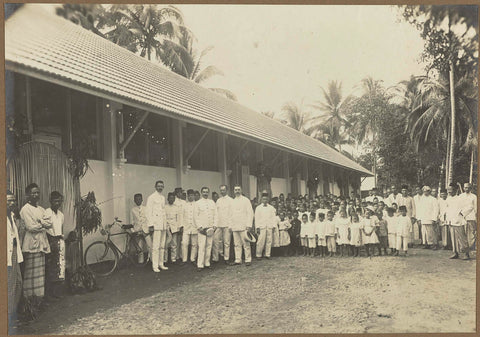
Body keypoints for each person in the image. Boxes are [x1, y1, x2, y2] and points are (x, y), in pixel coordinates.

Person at [20, 183, 52, 310]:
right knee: (31, 272)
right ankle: (29, 300)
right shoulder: (25, 209)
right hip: (31, 244)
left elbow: (49, 223)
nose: (36, 195)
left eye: (38, 192)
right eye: (33, 193)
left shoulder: (41, 209)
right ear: (28, 194)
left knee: (40, 272)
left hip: (41, 243)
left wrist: (40, 223)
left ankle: (39, 299)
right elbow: (30, 227)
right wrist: (42, 224)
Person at [44, 191, 66, 299]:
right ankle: (49, 293)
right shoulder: (47, 212)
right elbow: (45, 229)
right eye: (55, 201)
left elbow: (61, 229)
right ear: (51, 201)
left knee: (59, 266)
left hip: (59, 241)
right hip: (50, 241)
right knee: (50, 266)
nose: (57, 203)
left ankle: (57, 292)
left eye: (59, 201)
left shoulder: (61, 215)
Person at [7, 190, 23, 323]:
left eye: (13, 200)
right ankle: (9, 317)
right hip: (6, 254)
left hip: (14, 252)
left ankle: (11, 312)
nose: (12, 203)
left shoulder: (12, 216)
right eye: (8, 200)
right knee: (10, 286)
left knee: (18, 283)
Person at [194, 187, 218, 271]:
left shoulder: (212, 202)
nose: (205, 193)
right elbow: (196, 217)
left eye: (207, 192)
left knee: (209, 246)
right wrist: (199, 227)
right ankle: (200, 265)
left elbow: (216, 214)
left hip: (210, 228)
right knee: (201, 246)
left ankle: (207, 263)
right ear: (201, 193)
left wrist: (215, 225)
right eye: (204, 192)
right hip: (202, 229)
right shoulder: (197, 203)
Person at [146, 180, 167, 273]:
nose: (160, 187)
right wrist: (150, 225)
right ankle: (155, 265)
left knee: (162, 246)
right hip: (156, 224)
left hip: (163, 224)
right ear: (155, 186)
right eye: (158, 186)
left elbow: (163, 212)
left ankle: (161, 263)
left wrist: (165, 224)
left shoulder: (163, 197)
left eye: (162, 186)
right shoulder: (151, 197)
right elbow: (148, 212)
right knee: (155, 246)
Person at [229, 185, 253, 266]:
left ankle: (248, 259)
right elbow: (230, 215)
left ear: (241, 190)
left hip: (244, 226)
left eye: (239, 189)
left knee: (246, 244)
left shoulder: (246, 200)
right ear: (234, 191)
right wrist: (230, 226)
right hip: (235, 226)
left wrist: (249, 225)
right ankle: (238, 259)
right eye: (236, 190)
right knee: (237, 244)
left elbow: (250, 213)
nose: (237, 191)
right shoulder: (232, 201)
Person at [446, 184, 470, 260]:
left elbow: (470, 207)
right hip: (451, 221)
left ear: (456, 190)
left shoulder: (461, 198)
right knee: (453, 238)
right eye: (448, 189)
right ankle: (455, 252)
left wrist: (462, 213)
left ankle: (466, 253)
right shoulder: (448, 199)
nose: (449, 191)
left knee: (462, 238)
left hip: (459, 221)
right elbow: (447, 210)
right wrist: (447, 219)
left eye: (451, 189)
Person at [213, 185, 232, 264]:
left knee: (226, 242)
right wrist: (215, 224)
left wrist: (231, 225)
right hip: (218, 224)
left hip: (227, 224)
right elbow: (216, 213)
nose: (222, 192)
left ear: (227, 190)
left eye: (223, 190)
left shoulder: (231, 200)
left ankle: (226, 258)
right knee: (215, 240)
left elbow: (231, 214)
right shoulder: (218, 201)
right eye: (221, 190)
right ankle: (215, 258)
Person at [255, 193, 277, 259]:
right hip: (262, 226)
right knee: (260, 241)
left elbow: (273, 217)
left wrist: (273, 226)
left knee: (269, 240)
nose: (265, 200)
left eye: (266, 199)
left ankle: (267, 254)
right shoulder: (258, 208)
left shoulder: (271, 208)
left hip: (269, 226)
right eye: (263, 199)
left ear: (268, 200)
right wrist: (257, 227)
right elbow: (257, 218)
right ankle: (258, 254)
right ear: (261, 199)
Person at [130, 193, 150, 263]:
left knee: (150, 246)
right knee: (139, 247)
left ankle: (152, 260)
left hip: (145, 230)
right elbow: (131, 222)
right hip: (137, 231)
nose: (138, 201)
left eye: (139, 199)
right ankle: (140, 262)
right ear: (134, 201)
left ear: (142, 200)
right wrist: (133, 231)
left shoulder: (146, 208)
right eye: (136, 200)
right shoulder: (132, 210)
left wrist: (148, 229)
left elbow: (149, 220)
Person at [182, 189, 198, 264]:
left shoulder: (197, 205)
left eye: (192, 195)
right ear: (187, 196)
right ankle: (184, 259)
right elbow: (181, 216)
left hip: (195, 227)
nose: (190, 197)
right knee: (184, 243)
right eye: (189, 196)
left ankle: (192, 259)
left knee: (194, 244)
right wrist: (182, 226)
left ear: (194, 196)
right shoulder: (184, 205)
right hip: (186, 227)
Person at [459, 183, 477, 250]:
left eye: (468, 187)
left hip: (471, 217)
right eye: (465, 187)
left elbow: (475, 207)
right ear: (463, 188)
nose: (466, 189)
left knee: (471, 233)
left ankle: (471, 245)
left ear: (470, 188)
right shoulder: (461, 196)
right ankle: (464, 246)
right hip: (462, 216)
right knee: (463, 232)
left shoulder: (474, 196)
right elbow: (459, 206)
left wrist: (475, 216)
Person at [165, 192, 181, 264]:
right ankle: (165, 259)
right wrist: (166, 226)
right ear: (167, 199)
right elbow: (163, 218)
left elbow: (178, 218)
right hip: (166, 227)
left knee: (174, 244)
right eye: (170, 198)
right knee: (165, 244)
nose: (171, 199)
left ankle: (173, 259)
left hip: (174, 227)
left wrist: (178, 227)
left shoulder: (177, 207)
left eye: (173, 198)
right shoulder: (164, 207)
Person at [174, 187, 186, 263]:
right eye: (178, 192)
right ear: (176, 193)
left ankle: (182, 256)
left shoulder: (184, 202)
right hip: (176, 225)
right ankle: (176, 257)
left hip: (183, 224)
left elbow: (185, 214)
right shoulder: (174, 202)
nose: (179, 194)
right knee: (175, 242)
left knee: (183, 241)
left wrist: (183, 225)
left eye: (180, 192)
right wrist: (178, 225)